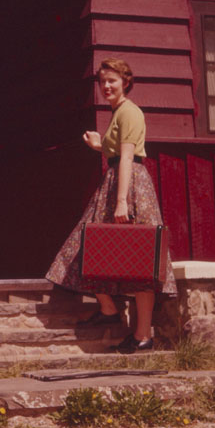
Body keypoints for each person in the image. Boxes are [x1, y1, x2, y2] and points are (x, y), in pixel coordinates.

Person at [45, 57, 176, 353]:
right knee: (89, 246)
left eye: (112, 81)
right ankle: (108, 309)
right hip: (117, 180)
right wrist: (100, 146)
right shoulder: (118, 113)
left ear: (125, 82)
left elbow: (128, 157)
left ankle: (142, 336)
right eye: (103, 81)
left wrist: (121, 202)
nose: (106, 86)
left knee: (141, 263)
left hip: (129, 187)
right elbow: (118, 152)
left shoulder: (129, 112)